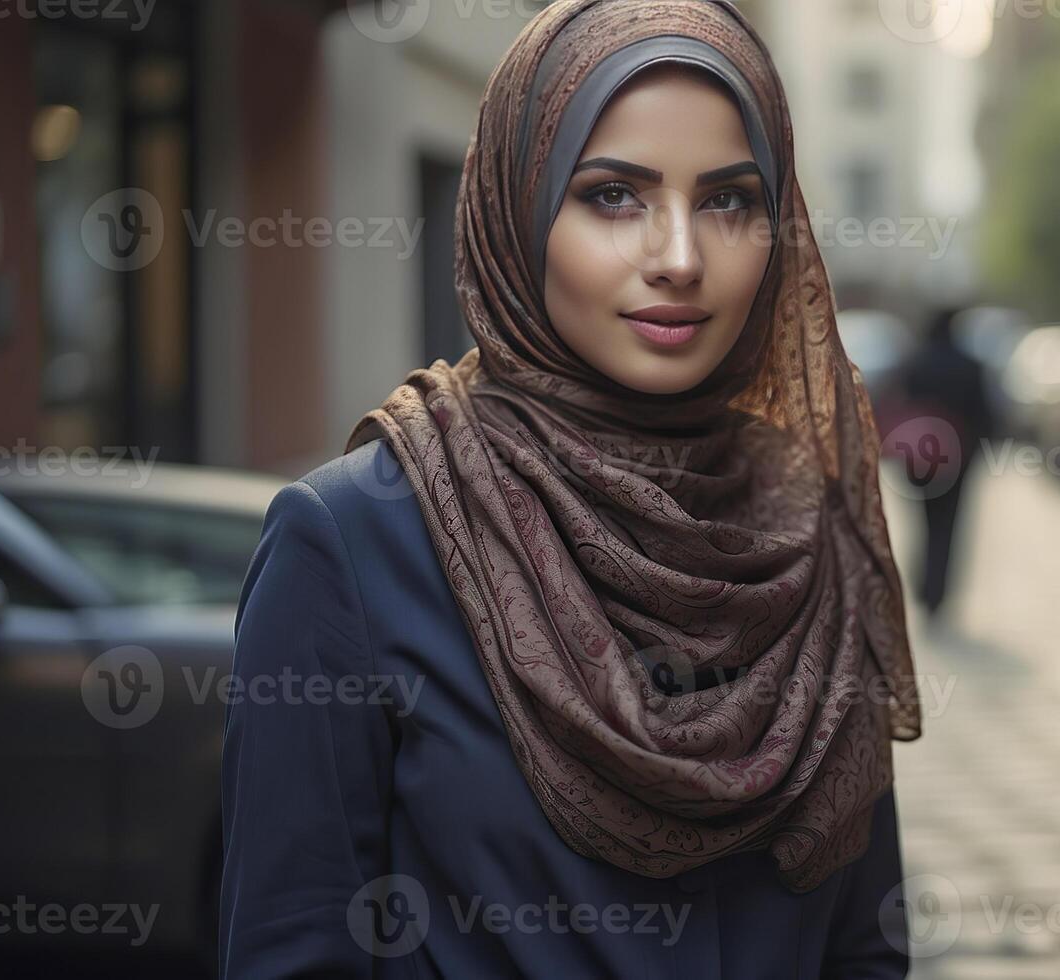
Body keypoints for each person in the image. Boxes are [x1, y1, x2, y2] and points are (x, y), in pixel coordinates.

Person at [219, 3, 920, 976]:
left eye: (726, 200)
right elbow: (292, 949)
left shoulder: (810, 531)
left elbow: (861, 945)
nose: (678, 256)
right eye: (612, 195)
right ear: (518, 208)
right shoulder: (354, 542)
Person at [900, 306, 994, 620]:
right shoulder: (970, 366)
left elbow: (899, 410)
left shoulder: (914, 363)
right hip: (957, 459)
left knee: (923, 522)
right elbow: (985, 418)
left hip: (920, 460)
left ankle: (923, 585)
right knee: (948, 526)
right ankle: (937, 591)